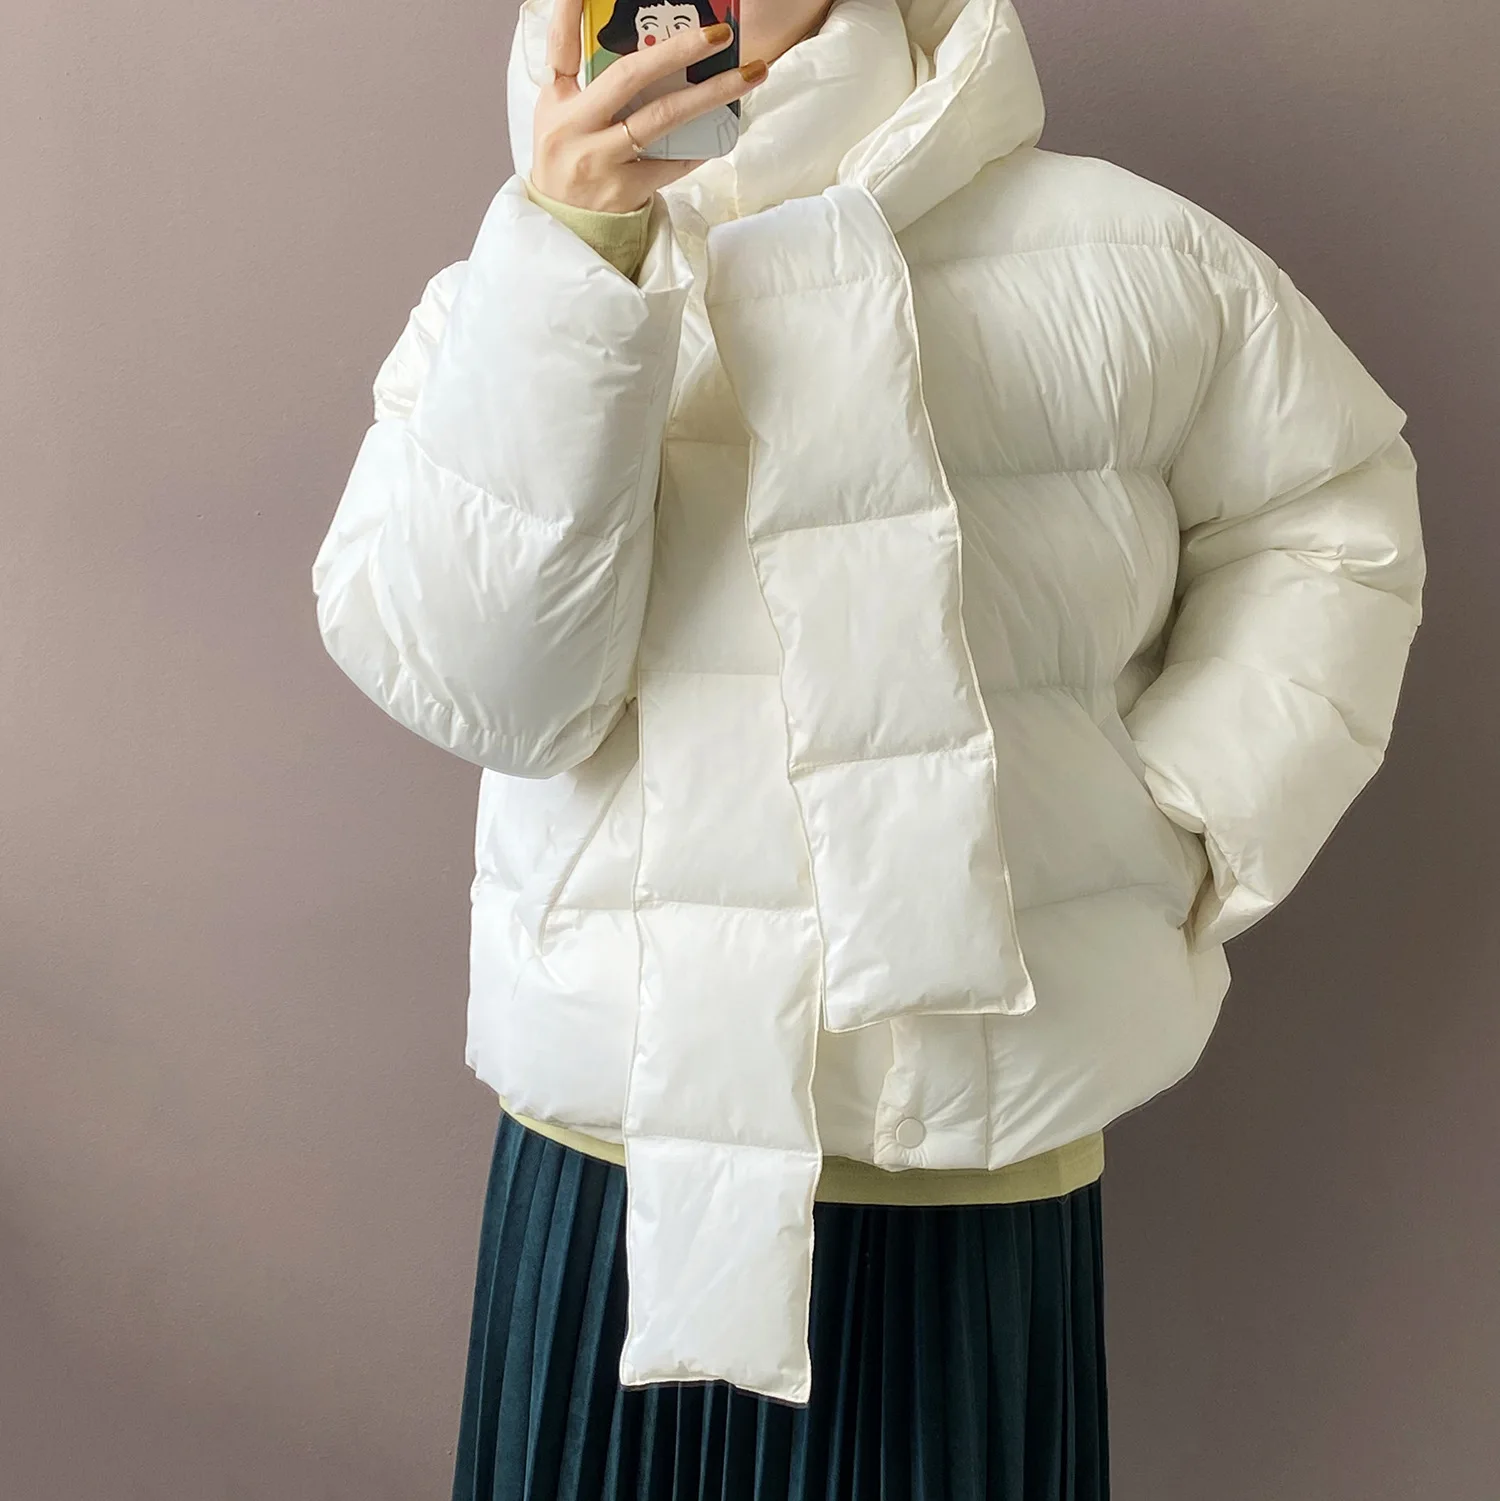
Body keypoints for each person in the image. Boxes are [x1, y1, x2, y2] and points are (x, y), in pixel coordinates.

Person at [309, 0, 1427, 1493]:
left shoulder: (1134, 257)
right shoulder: (501, 294)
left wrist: (1180, 821)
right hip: (611, 1171)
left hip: (964, 1174)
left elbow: (1332, 520)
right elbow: (495, 690)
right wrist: (572, 258)